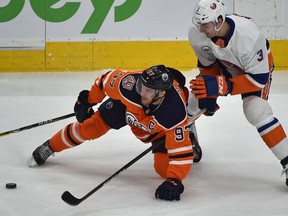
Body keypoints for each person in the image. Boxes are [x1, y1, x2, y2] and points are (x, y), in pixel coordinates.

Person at [27, 65, 200, 201]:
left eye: (147, 91)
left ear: (161, 93)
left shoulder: (174, 112)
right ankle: (50, 146)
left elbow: (180, 151)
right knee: (89, 127)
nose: (141, 92)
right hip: (126, 108)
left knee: (164, 170)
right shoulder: (130, 84)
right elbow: (103, 81)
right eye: (142, 86)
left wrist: (174, 180)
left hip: (158, 130)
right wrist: (87, 100)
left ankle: (189, 132)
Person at [187, 0, 288, 187]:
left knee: (256, 110)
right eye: (198, 24)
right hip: (225, 65)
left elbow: (259, 79)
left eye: (205, 25)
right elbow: (209, 67)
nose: (201, 30)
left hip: (255, 70)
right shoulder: (197, 34)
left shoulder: (248, 35)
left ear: (218, 21)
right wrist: (209, 95)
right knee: (196, 98)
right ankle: (186, 134)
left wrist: (222, 87)